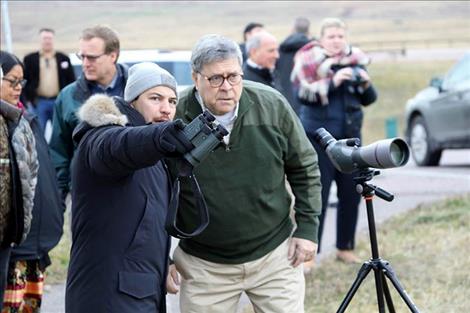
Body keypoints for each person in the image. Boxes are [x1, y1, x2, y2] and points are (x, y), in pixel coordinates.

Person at [167, 34, 321, 313]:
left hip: (274, 255)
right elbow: (151, 193)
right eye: (215, 79)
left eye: (233, 77)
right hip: (204, 265)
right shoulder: (174, 118)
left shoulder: (271, 105)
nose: (226, 87)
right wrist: (161, 258)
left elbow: (305, 166)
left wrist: (308, 229)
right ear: (195, 77)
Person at [65, 62, 193, 313]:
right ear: (133, 101)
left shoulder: (154, 154)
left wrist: (162, 262)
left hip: (141, 292)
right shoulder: (101, 136)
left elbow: (142, 219)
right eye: (155, 98)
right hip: (106, 297)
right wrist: (158, 138)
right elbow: (119, 147)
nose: (166, 109)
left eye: (172, 101)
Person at [291, 17, 377, 264]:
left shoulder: (356, 62)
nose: (337, 41)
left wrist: (365, 83)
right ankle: (310, 253)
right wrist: (331, 83)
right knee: (318, 194)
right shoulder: (307, 61)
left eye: (340, 36)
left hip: (350, 140)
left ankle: (344, 247)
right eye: (331, 36)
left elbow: (369, 99)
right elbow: (302, 95)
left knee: (352, 192)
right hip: (318, 139)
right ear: (320, 39)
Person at [1, 50, 63, 312]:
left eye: (22, 82)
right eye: (12, 81)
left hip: (35, 247)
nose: (18, 88)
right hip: (13, 249)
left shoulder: (25, 120)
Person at [49, 25, 128, 202]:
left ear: (113, 55)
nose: (85, 63)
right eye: (81, 56)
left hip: (135, 189)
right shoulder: (68, 97)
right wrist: (63, 194)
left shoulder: (138, 91)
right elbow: (58, 151)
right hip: (86, 193)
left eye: (91, 57)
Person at [23, 28, 76, 132]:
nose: (47, 41)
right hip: (39, 102)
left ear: (53, 40)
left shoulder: (63, 58)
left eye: (49, 38)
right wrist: (29, 99)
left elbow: (71, 80)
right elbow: (25, 80)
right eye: (44, 38)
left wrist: (67, 100)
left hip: (58, 102)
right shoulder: (30, 59)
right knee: (38, 132)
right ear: (40, 40)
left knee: (60, 132)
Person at [277, 17, 312, 114]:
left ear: (292, 30)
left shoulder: (280, 49)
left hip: (285, 100)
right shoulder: (314, 50)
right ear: (309, 31)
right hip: (309, 101)